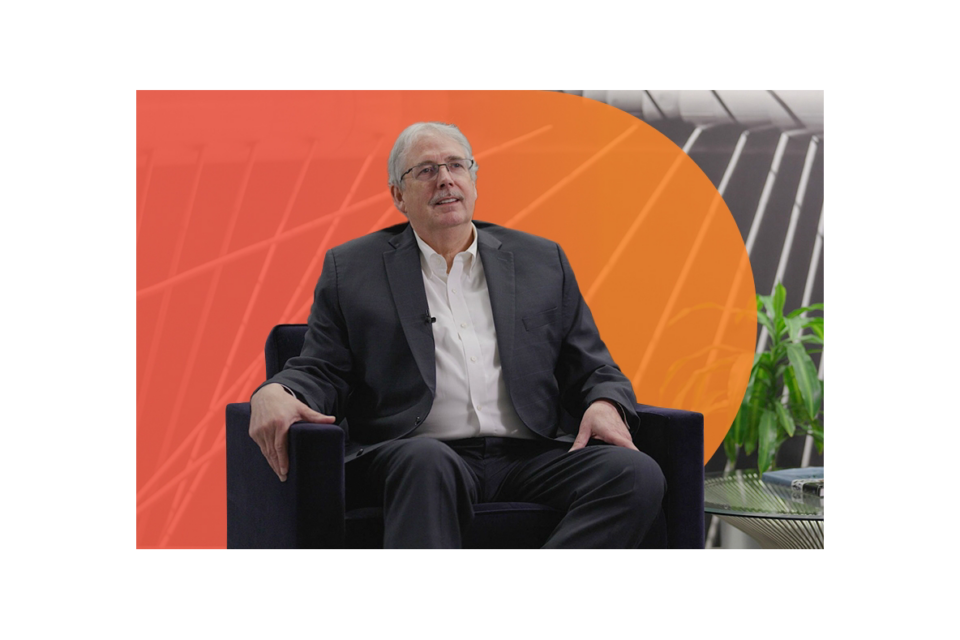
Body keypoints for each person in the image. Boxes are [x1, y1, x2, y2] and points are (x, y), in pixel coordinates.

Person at [249, 122, 665, 549]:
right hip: (416, 452)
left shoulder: (542, 260)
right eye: (426, 170)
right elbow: (322, 368)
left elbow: (593, 364)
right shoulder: (352, 270)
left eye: (455, 166)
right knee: (427, 459)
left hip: (528, 454)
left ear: (473, 179)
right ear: (398, 196)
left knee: (635, 475)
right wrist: (279, 390)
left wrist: (604, 402)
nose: (445, 179)